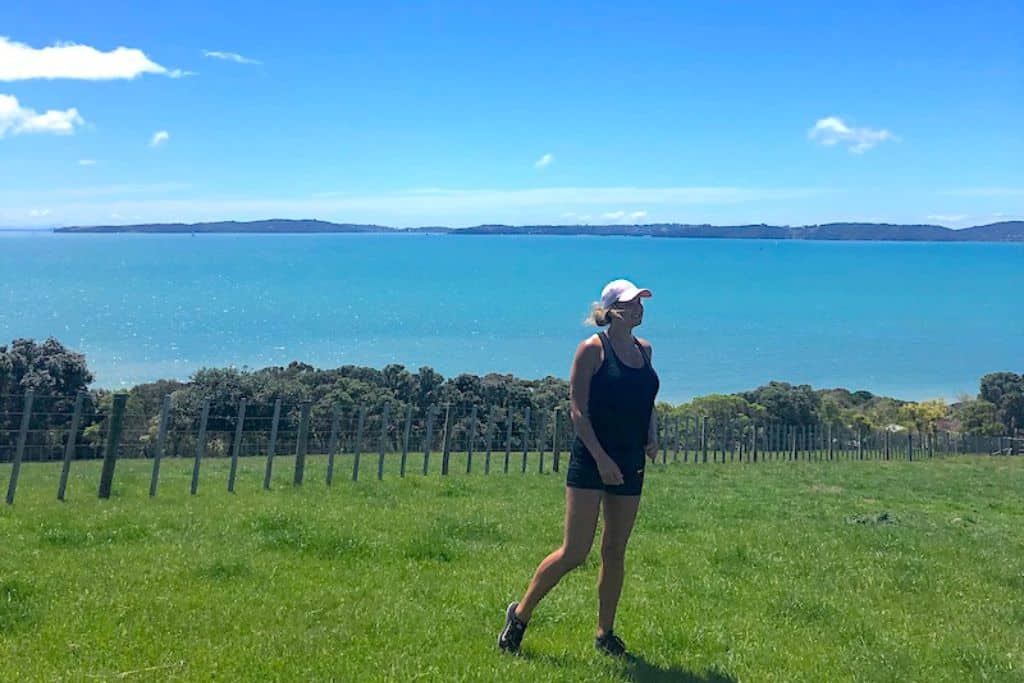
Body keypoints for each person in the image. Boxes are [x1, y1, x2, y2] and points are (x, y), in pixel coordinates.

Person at [498, 278, 660, 656]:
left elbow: (646, 401)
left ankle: (605, 634)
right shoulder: (592, 350)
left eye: (641, 302)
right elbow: (578, 411)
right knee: (575, 552)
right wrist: (601, 460)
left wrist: (652, 435)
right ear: (612, 311)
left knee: (615, 550)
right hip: (591, 461)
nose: (639, 308)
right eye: (631, 303)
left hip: (630, 461)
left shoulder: (645, 350)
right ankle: (519, 617)